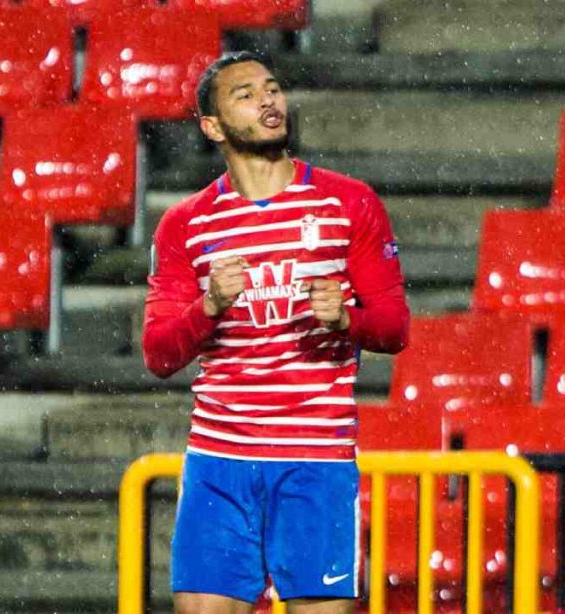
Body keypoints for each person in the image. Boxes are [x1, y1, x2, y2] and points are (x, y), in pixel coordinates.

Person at [142, 50, 410, 614]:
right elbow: (159, 353)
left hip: (315, 460)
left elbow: (394, 328)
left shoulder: (349, 202)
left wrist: (346, 320)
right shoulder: (185, 224)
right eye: (245, 94)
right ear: (212, 127)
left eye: (272, 88)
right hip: (219, 462)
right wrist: (209, 305)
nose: (267, 100)